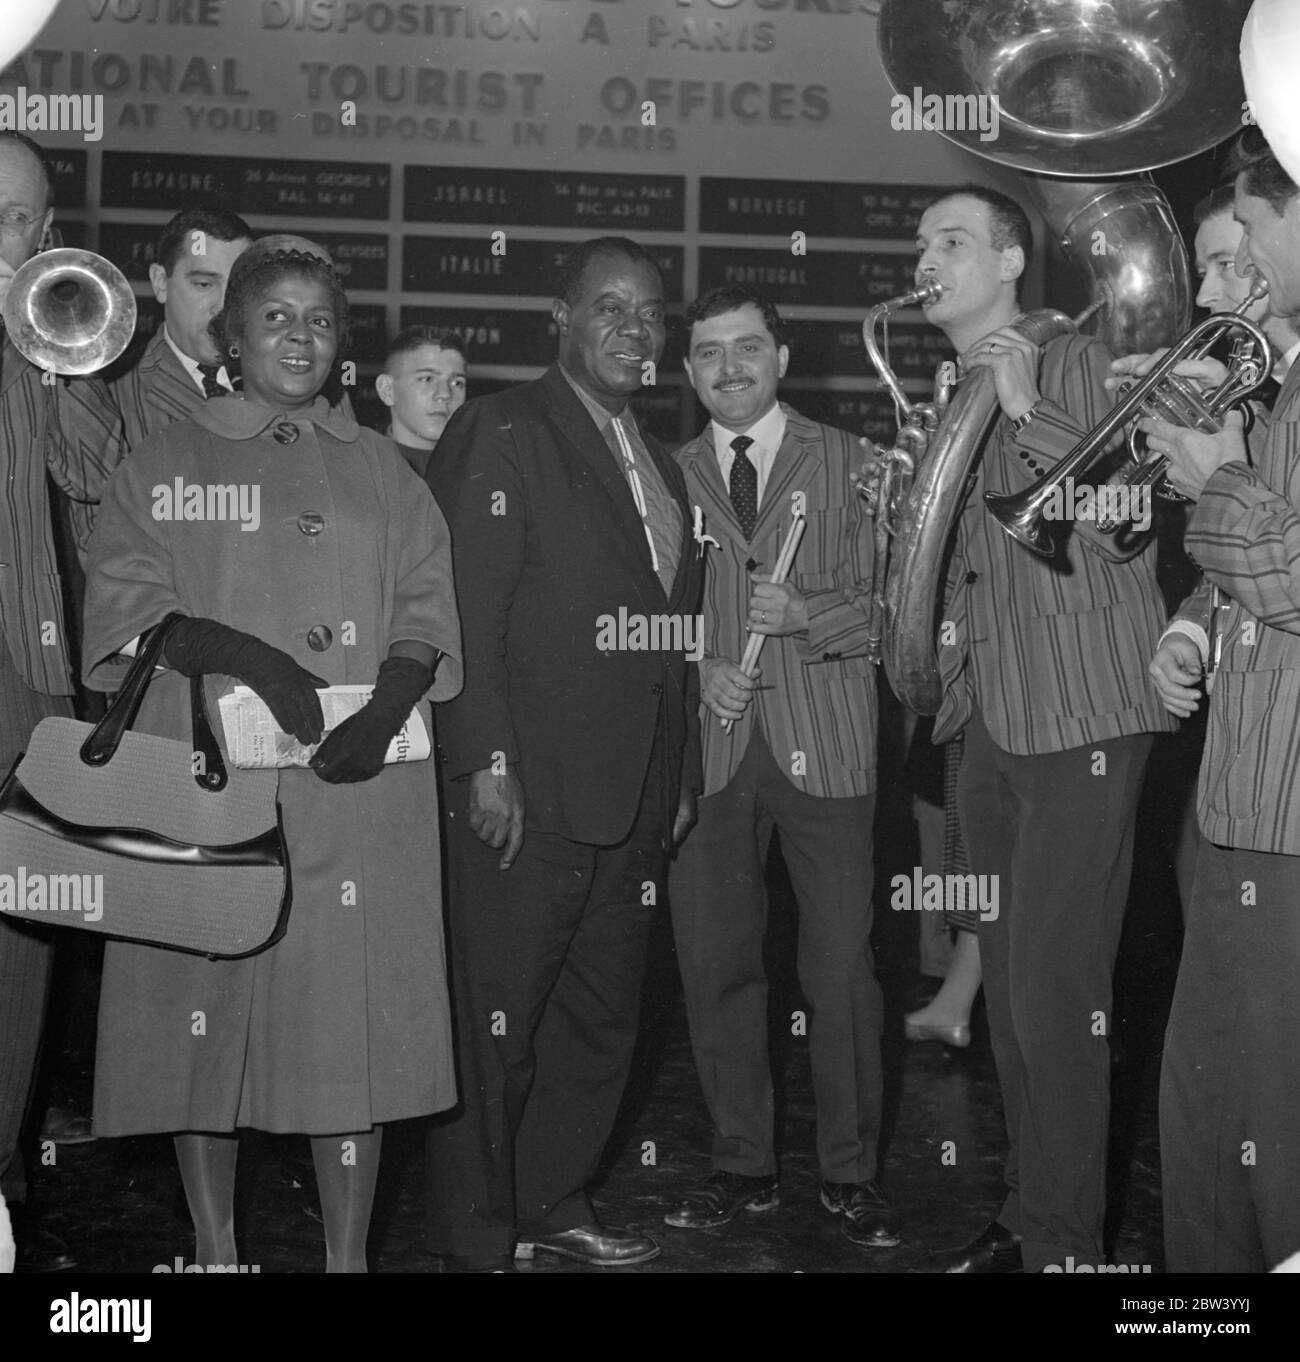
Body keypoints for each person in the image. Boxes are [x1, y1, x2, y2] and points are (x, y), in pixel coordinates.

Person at [80, 243, 462, 1273]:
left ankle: (346, 1262)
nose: (299, 337)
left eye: (320, 321)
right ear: (231, 339)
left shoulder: (378, 463)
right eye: (276, 320)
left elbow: (425, 597)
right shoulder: (164, 459)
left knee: (353, 1034)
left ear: (344, 344)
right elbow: (122, 614)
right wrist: (239, 654)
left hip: (357, 786)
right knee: (202, 1028)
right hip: (213, 782)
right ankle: (215, 1251)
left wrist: (390, 700)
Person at [424, 235, 703, 1272]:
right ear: (561, 316)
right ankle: (477, 1239)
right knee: (497, 1030)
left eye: (649, 315)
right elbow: (468, 610)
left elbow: (665, 639)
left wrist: (672, 775)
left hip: (631, 799)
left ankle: (552, 1201)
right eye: (609, 309)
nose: (634, 331)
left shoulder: (660, 460)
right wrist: (484, 760)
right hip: (526, 793)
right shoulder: (500, 428)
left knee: (598, 1022)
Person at [914, 185, 1174, 1273]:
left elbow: (1125, 522)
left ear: (1013, 261)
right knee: (1015, 1001)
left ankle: (1067, 1247)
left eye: (951, 240)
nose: (926, 257)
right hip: (992, 723)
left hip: (1081, 721)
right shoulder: (951, 390)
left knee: (1060, 998)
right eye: (920, 243)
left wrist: (1026, 412)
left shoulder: (1068, 359)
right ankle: (1031, 1215)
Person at [662, 285, 898, 1249]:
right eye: (709, 353)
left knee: (840, 972)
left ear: (783, 357)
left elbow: (907, 611)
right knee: (715, 968)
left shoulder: (859, 463)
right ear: (686, 372)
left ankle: (850, 1172)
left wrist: (814, 617)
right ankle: (739, 1161)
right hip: (711, 754)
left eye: (747, 347)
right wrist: (701, 663)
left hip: (828, 747)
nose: (729, 367)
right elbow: (633, 617)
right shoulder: (660, 474)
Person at [1145, 126, 1300, 1272]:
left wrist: (1219, 476)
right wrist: (1195, 625)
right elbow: (1243, 570)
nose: (1216, 281)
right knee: (1205, 1122)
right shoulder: (1279, 384)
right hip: (1237, 801)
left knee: (1271, 1143)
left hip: (1285, 827)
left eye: (1233, 241)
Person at [0, 130, 123, 1272]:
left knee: (18, 946)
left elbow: (97, 468)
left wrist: (47, 360)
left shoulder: (44, 342)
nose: (13, 237)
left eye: (29, 220)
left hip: (24, 680)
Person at [110, 206, 253, 449]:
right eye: (205, 284)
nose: (225, 306)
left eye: (240, 287)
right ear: (160, 283)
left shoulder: (283, 380)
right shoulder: (111, 396)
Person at [376, 326, 467, 478]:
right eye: (427, 379)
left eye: (457, 383)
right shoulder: (360, 465)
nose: (445, 394)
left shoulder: (485, 465)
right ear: (387, 390)